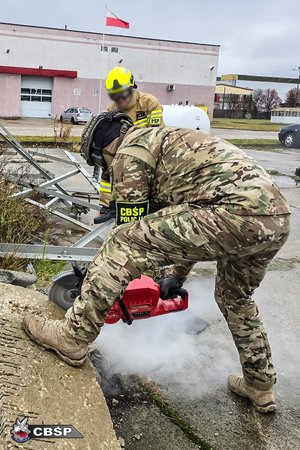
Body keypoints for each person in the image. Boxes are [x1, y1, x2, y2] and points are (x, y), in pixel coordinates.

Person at [23, 112, 290, 414]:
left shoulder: (128, 152)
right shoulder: (162, 140)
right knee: (235, 297)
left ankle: (72, 336)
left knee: (124, 241)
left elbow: (129, 236)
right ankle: (260, 385)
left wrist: (103, 275)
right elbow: (186, 217)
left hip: (234, 215)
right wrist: (177, 275)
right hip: (275, 220)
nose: (108, 172)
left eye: (102, 166)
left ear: (102, 151)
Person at [95, 66, 163, 224]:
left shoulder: (148, 103)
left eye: (123, 94)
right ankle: (108, 205)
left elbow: (156, 134)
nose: (120, 100)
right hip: (124, 152)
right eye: (114, 96)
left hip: (150, 150)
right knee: (108, 167)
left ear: (132, 88)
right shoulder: (112, 110)